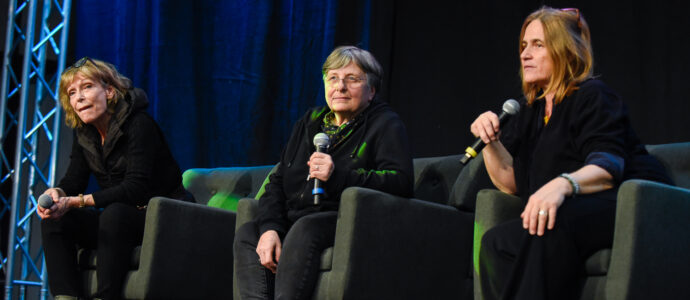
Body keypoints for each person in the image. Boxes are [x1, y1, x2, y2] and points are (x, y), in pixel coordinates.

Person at [471, 7, 672, 300]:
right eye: (524, 46)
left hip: (633, 200)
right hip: (574, 210)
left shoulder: (592, 95)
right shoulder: (529, 111)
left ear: (564, 50)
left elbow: (608, 166)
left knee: (551, 221)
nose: (525, 54)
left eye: (538, 45)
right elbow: (510, 183)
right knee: (496, 242)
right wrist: (490, 141)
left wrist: (561, 184)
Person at [234, 46, 414, 299]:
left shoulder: (385, 124)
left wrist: (338, 176)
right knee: (249, 233)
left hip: (343, 219)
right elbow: (278, 180)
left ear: (371, 90)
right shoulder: (310, 122)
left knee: (306, 227)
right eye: (333, 78)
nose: (340, 86)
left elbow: (401, 181)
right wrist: (271, 228)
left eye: (352, 79)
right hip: (297, 217)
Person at [37, 57, 185, 300]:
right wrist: (59, 194)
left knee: (115, 213)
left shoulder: (138, 124)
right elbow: (74, 181)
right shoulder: (85, 134)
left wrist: (75, 202)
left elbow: (136, 189)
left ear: (109, 90)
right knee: (56, 219)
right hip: (117, 221)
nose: (79, 97)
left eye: (86, 87)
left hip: (158, 217)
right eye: (72, 93)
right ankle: (65, 297)